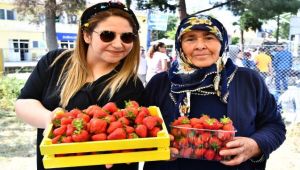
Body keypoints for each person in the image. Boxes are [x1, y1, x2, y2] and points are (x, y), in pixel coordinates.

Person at [141, 14, 286, 170]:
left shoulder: (248, 80)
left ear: (222, 42)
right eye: (190, 39)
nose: (200, 45)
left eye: (209, 37)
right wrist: (155, 148)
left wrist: (255, 145)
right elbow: (139, 129)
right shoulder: (161, 83)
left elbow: (274, 126)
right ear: (180, 44)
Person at [15, 1, 143, 170]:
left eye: (127, 37)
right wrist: (49, 119)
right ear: (87, 35)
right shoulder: (55, 62)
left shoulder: (132, 85)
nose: (119, 44)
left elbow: (133, 133)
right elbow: (24, 102)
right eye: (107, 35)